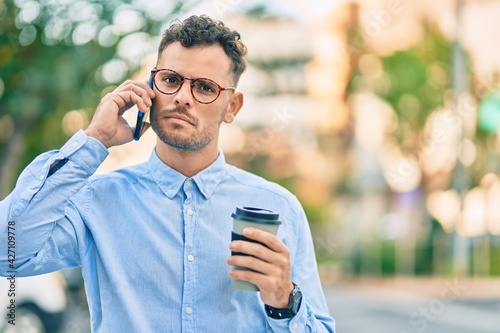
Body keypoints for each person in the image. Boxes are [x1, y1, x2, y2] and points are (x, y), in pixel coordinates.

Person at [0, 15, 335, 332]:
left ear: (232, 107)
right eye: (171, 81)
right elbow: (8, 254)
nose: (182, 98)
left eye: (204, 88)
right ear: (150, 86)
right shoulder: (96, 200)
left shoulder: (278, 207)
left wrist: (283, 301)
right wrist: (95, 140)